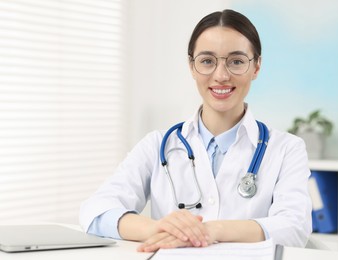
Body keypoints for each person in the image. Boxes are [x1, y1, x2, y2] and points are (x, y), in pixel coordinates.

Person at [79, 9, 312, 252]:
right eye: (207, 61)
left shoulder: (286, 149)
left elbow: (294, 227)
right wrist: (159, 229)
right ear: (192, 66)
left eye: (236, 61)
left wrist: (212, 230)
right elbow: (95, 211)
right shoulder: (158, 144)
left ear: (256, 67)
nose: (221, 76)